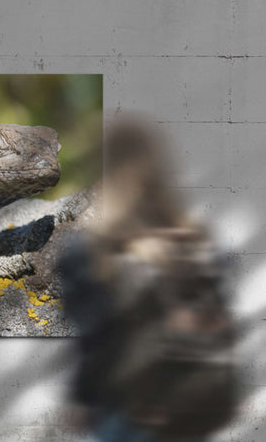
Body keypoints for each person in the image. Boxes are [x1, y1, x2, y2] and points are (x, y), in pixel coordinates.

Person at [59, 117, 237, 442]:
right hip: (190, 405)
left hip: (125, 412)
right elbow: (223, 320)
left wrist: (80, 398)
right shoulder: (196, 241)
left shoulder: (90, 253)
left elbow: (95, 343)